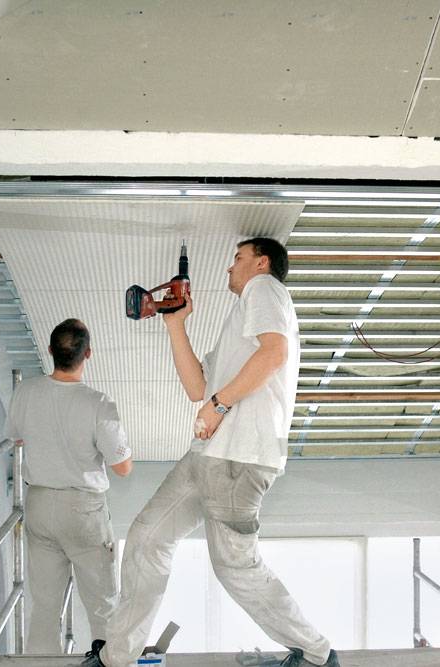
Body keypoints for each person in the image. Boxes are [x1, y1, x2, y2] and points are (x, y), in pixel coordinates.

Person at [85, 238, 339, 667]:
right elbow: (197, 387)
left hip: (240, 457)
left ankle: (318, 654)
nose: (229, 267)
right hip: (210, 455)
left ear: (262, 263)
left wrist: (219, 405)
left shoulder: (265, 289)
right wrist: (175, 324)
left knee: (235, 566)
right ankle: (117, 657)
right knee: (147, 538)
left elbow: (274, 353)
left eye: (238, 258)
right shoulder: (239, 319)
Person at [7, 318, 133, 654]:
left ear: (50, 351)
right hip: (83, 511)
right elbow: (123, 468)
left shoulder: (26, 393)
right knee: (102, 604)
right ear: (88, 353)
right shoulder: (98, 403)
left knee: (45, 606)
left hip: (39, 504)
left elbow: (17, 436)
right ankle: (108, 661)